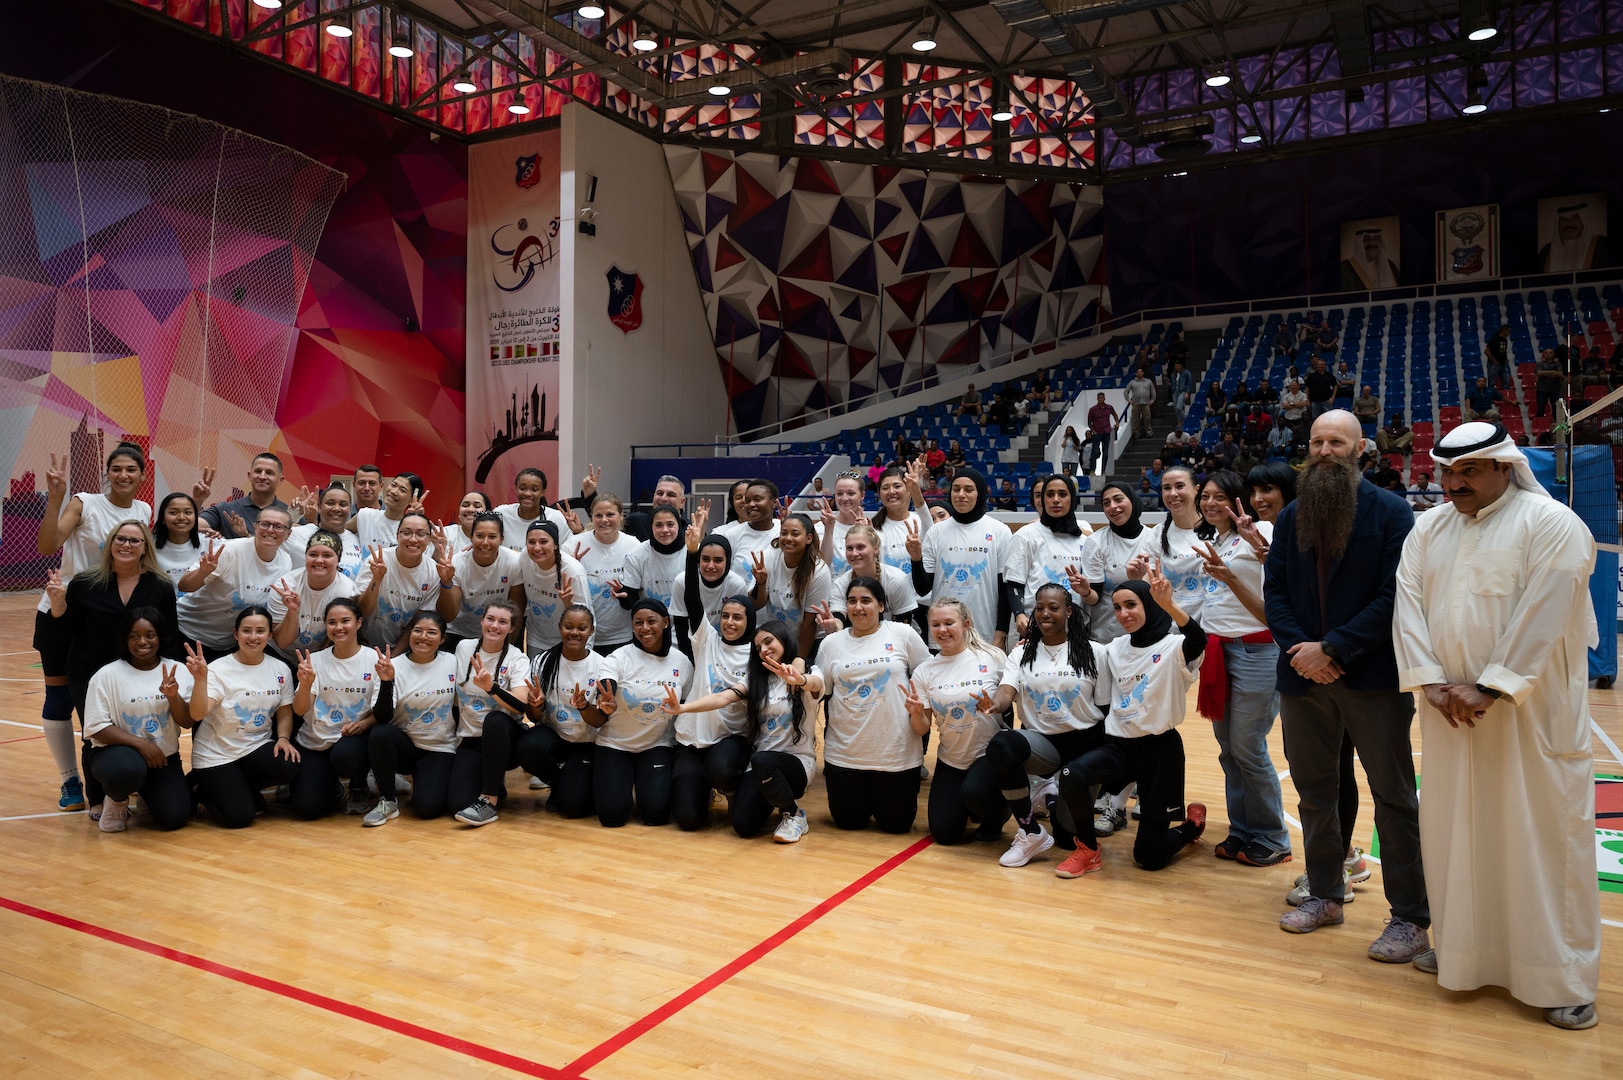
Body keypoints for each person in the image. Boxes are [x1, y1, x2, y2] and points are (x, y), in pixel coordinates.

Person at [1394, 422, 1600, 1030]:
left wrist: (1489, 686)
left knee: (1541, 839)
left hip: (1529, 718)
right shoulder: (1428, 528)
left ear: (1504, 467)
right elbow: (1409, 603)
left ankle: (1561, 979)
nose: (1455, 483)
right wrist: (1431, 681)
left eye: (1470, 473)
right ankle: (1461, 951)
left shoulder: (1551, 523)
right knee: (1454, 830)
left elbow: (1549, 611)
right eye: (1447, 473)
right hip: (1450, 717)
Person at [1264, 410, 1430, 962]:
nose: (1326, 450)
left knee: (1394, 797)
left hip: (1371, 676)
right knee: (1316, 794)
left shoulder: (1392, 512)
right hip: (1301, 675)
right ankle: (1326, 894)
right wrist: (1305, 653)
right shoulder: (1291, 519)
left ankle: (1409, 917)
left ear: (1362, 450)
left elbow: (1395, 598)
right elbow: (1277, 596)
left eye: (1337, 441)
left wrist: (1332, 648)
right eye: (1317, 441)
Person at [1050, 572, 1209, 878]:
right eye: (1118, 607)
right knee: (1072, 775)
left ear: (1151, 605)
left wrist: (1171, 605)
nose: (1123, 614)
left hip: (1160, 751)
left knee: (1149, 857)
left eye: (1132, 605)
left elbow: (1198, 640)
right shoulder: (1115, 647)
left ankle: (1191, 827)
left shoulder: (1175, 646)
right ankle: (1088, 850)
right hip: (1120, 747)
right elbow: (1079, 652)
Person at [34, 442, 164, 812]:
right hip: (64, 611)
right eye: (117, 468)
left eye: (131, 470)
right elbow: (48, 545)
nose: (123, 475)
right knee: (62, 699)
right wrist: (55, 498)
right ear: (107, 472)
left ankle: (115, 775)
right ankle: (69, 780)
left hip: (112, 618)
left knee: (115, 700)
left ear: (142, 475)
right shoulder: (84, 502)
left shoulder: (143, 509)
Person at [1190, 470, 1290, 866]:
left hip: (1257, 653)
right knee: (1229, 749)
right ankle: (1242, 830)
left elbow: (1276, 576)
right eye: (1206, 497)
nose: (1211, 504)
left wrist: (1259, 540)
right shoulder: (1220, 540)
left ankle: (1272, 836)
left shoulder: (1260, 530)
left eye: (1220, 497)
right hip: (1221, 652)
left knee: (1248, 746)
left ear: (1238, 501)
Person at [664, 618, 817, 842]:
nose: (764, 650)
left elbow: (815, 684)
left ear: (784, 640)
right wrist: (683, 708)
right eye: (758, 648)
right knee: (743, 825)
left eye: (768, 642)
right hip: (760, 765)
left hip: (796, 762)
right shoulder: (756, 680)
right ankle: (757, 795)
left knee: (763, 761)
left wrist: (801, 677)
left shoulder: (808, 671)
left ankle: (794, 814)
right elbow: (722, 697)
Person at [803, 577, 933, 833]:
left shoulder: (902, 634)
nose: (858, 607)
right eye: (852, 601)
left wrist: (923, 709)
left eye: (866, 601)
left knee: (896, 826)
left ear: (882, 606)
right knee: (848, 823)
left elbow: (928, 671)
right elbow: (821, 686)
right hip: (845, 754)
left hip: (896, 755)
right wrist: (802, 678)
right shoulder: (831, 643)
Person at [182, 607, 299, 828]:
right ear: (236, 634)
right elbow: (197, 714)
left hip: (255, 747)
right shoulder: (218, 669)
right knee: (239, 817)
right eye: (246, 630)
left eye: (260, 631)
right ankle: (201, 788)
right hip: (217, 755)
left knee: (288, 764)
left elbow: (285, 711)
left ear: (269, 635)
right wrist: (200, 680)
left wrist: (283, 738)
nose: (253, 637)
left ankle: (241, 787)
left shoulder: (280, 668)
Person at [905, 600, 1007, 845]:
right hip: (951, 759)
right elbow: (922, 729)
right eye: (936, 624)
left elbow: (1011, 697)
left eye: (949, 623)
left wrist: (995, 705)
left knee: (976, 794)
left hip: (987, 755)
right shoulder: (924, 671)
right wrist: (917, 713)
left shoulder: (992, 657)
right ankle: (968, 802)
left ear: (966, 625)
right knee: (944, 834)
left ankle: (1000, 810)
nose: (942, 630)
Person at [81, 609, 193, 832]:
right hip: (116, 755)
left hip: (162, 759)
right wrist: (142, 744)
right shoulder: (107, 675)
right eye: (134, 636)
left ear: (160, 636)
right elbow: (96, 727)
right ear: (125, 639)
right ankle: (116, 800)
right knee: (126, 769)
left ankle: (148, 796)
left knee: (175, 817)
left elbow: (187, 721)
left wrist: (173, 696)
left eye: (150, 635)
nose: (142, 642)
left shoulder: (177, 670)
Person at [666, 557, 755, 832]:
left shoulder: (756, 655)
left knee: (721, 770)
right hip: (692, 741)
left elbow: (728, 697)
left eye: (737, 617)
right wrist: (692, 551)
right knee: (688, 820)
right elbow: (693, 597)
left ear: (749, 620)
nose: (729, 622)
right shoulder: (707, 639)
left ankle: (731, 787)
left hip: (729, 740)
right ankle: (703, 788)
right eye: (725, 616)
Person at [592, 598, 692, 827]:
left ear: (666, 622)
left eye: (651, 621)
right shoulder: (619, 657)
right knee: (611, 817)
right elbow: (608, 684)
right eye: (638, 623)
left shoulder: (682, 662)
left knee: (655, 815)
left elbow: (686, 707)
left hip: (657, 745)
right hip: (614, 744)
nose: (644, 628)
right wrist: (606, 700)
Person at [287, 597, 382, 819]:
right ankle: (330, 784)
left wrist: (363, 724)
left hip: (353, 740)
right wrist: (306, 685)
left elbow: (385, 709)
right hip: (315, 742)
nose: (338, 627)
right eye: (332, 622)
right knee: (307, 809)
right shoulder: (315, 661)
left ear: (358, 623)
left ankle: (358, 785)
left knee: (346, 755)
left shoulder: (373, 660)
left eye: (345, 621)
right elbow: (300, 710)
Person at [361, 610, 458, 826]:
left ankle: (428, 782)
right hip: (404, 746)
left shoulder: (452, 662)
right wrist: (387, 682)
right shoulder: (392, 666)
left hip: (439, 748)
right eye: (418, 631)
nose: (423, 637)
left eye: (431, 633)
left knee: (427, 808)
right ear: (410, 633)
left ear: (442, 639)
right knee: (380, 733)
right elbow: (383, 717)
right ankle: (387, 800)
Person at [448, 601, 539, 827]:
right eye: (490, 619)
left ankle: (489, 801)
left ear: (511, 629)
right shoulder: (463, 648)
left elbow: (520, 706)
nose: (494, 626)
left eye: (503, 622)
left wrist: (492, 688)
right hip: (470, 739)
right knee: (456, 803)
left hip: (505, 740)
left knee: (495, 719)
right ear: (481, 621)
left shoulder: (517, 658)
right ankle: (495, 784)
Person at [515, 604, 605, 818]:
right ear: (560, 628)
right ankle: (556, 781)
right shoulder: (543, 661)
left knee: (574, 807)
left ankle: (574, 783)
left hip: (587, 743)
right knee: (527, 747)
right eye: (568, 626)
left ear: (591, 631)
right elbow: (534, 718)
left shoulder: (602, 665)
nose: (574, 632)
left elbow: (599, 722)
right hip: (554, 736)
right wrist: (535, 705)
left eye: (582, 628)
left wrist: (583, 706)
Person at [912, 468, 1012, 651]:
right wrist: (916, 559)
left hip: (984, 635)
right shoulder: (936, 532)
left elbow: (1005, 589)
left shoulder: (1000, 531)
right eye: (956, 489)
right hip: (942, 635)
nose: (961, 495)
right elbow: (923, 588)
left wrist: (1001, 633)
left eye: (968, 489)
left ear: (980, 493)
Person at [178, 504, 296, 658]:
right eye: (265, 524)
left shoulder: (285, 562)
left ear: (288, 534)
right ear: (255, 527)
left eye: (278, 526)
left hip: (230, 645)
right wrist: (203, 572)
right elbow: (184, 586)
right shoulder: (229, 550)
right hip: (188, 633)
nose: (270, 530)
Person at [1004, 474, 1089, 640]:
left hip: (1073, 630)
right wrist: (1019, 614)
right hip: (1031, 627)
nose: (1055, 500)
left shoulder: (1085, 541)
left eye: (1062, 494)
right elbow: (1014, 583)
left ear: (1072, 499)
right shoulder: (1026, 535)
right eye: (1050, 494)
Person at [354, 511, 448, 650]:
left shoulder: (433, 572)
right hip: (363, 644)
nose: (413, 539)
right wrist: (377, 579)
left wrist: (394, 658)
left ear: (429, 540)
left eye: (421, 534)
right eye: (406, 533)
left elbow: (415, 624)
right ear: (397, 536)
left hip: (402, 648)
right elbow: (362, 611)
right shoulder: (377, 560)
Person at [567, 493, 644, 653]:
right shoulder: (575, 544)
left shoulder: (633, 545)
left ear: (621, 516)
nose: (604, 520)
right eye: (598, 515)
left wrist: (626, 595)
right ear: (592, 518)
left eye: (610, 514)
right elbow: (558, 581)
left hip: (622, 636)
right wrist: (572, 567)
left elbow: (638, 592)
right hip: (584, 636)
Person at [437, 511, 525, 649]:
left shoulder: (514, 562)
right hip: (459, 633)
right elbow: (448, 616)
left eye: (492, 537)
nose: (485, 542)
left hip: (498, 633)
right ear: (471, 538)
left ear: (502, 539)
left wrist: (506, 649)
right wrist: (446, 583)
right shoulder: (456, 563)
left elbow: (516, 612)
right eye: (479, 536)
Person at [268, 530, 359, 655]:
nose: (319, 560)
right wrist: (292, 611)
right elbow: (281, 642)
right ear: (305, 557)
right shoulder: (286, 586)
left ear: (338, 560)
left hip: (318, 656)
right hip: (279, 654)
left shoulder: (347, 591)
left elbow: (336, 638)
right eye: (313, 554)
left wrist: (317, 661)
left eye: (327, 555)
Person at [825, 524, 919, 628]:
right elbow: (838, 618)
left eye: (860, 547)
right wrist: (833, 626)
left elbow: (903, 626)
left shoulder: (896, 579)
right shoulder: (841, 584)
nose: (854, 553)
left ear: (876, 549)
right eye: (849, 548)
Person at [200, 452, 288, 539]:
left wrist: (245, 535)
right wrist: (198, 500)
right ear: (249, 476)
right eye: (258, 471)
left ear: (280, 480)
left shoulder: (290, 515)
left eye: (269, 473)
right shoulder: (226, 510)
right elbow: (191, 526)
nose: (262, 476)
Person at [285, 484, 364, 578]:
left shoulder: (359, 541)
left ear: (350, 510)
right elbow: (268, 538)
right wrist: (291, 517)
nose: (336, 509)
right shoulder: (298, 534)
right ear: (319, 507)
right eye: (330, 503)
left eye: (343, 504)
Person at [868, 462, 931, 577]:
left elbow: (928, 521)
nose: (891, 491)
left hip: (921, 594)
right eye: (885, 488)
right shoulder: (873, 528)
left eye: (897, 486)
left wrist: (915, 488)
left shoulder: (919, 521)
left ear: (908, 490)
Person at [716, 478, 782, 584]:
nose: (751, 504)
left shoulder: (783, 529)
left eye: (757, 499)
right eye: (747, 501)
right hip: (740, 599)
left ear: (774, 502)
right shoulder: (731, 535)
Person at [622, 505, 687, 610]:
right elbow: (630, 603)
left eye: (670, 524)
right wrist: (624, 597)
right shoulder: (637, 555)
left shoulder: (693, 552)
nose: (665, 530)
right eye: (659, 525)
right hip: (652, 623)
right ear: (651, 527)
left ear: (679, 525)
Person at [494, 467, 573, 551]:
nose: (527, 493)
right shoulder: (501, 514)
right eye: (522, 488)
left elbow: (568, 551)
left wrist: (579, 531)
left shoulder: (555, 518)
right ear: (516, 489)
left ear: (542, 492)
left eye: (534, 489)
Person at [349, 471, 422, 552]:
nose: (394, 491)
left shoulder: (414, 530)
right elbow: (340, 532)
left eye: (402, 490)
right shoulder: (366, 516)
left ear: (412, 499)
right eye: (393, 485)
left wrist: (417, 520)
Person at [816, 471, 869, 576]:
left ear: (862, 495)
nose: (844, 498)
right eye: (839, 493)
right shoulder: (821, 527)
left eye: (851, 493)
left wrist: (866, 535)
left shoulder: (871, 528)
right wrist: (829, 530)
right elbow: (823, 566)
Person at [152, 492, 203, 589]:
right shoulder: (148, 546)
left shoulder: (211, 542)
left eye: (188, 512)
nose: (181, 518)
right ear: (163, 518)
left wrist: (241, 534)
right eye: (173, 513)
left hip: (200, 604)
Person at [622, 474, 687, 543]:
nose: (663, 498)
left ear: (682, 502)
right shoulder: (636, 522)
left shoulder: (690, 528)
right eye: (660, 493)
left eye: (670, 495)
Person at [1085, 393, 1117, 470]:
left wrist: (1117, 423)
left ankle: (1103, 470)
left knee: (1105, 452)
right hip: (1097, 432)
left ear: (1104, 398)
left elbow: (1115, 414)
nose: (1101, 399)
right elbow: (1089, 422)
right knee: (1095, 451)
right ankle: (1092, 469)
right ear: (1097, 399)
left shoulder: (1109, 407)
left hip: (1106, 431)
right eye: (1099, 398)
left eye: (1102, 398)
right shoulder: (1093, 409)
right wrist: (1093, 430)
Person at [1534, 347, 1565, 418]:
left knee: (1556, 409)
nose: (1548, 354)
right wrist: (1552, 372)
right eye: (1546, 353)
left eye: (1550, 353)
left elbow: (1560, 374)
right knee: (1540, 408)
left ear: (1553, 354)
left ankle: (1556, 425)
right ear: (1544, 354)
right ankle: (1540, 424)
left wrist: (1545, 373)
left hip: (1555, 389)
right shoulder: (1539, 364)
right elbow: (1539, 373)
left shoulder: (1558, 364)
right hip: (1542, 390)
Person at [1126, 367, 1156, 439]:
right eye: (1137, 372)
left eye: (1140, 372)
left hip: (1146, 403)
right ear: (1136, 374)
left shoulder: (1148, 381)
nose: (1139, 373)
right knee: (1136, 419)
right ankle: (1137, 433)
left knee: (1147, 418)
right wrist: (1129, 400)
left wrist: (1152, 400)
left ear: (1143, 373)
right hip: (1136, 404)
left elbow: (1153, 391)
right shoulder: (1132, 382)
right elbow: (1126, 391)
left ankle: (1149, 432)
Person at [1483, 325, 1511, 392]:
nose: (1509, 333)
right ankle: (1491, 398)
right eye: (1508, 332)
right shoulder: (1494, 339)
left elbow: (1504, 351)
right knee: (1492, 382)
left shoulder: (1505, 340)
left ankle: (1507, 396)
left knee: (1506, 381)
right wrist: (1494, 361)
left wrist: (1506, 358)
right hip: (1494, 364)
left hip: (1502, 363)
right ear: (1504, 331)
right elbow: (1486, 351)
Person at [1168, 359, 1194, 425]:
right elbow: (1174, 383)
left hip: (1182, 391)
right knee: (1176, 409)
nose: (1176, 367)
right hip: (1174, 392)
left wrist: (1187, 392)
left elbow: (1189, 383)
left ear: (1181, 366)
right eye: (1175, 366)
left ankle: (1185, 419)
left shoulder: (1186, 373)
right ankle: (1179, 421)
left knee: (1179, 407)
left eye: (1178, 366)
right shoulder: (1173, 374)